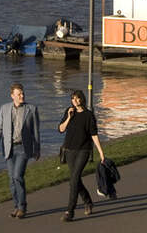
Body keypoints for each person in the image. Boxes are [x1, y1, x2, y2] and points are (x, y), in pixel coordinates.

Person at [0, 82, 40, 219]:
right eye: (19, 94)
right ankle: (16, 206)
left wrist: (37, 149)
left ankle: (22, 207)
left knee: (18, 176)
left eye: (23, 93)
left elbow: (36, 132)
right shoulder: (4, 108)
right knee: (12, 180)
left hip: (24, 148)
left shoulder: (32, 109)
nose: (22, 96)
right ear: (12, 96)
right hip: (9, 148)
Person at [57, 89, 105, 222]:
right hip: (70, 150)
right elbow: (61, 129)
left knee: (74, 180)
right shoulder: (69, 112)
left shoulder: (89, 115)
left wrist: (101, 153)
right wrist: (68, 117)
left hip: (83, 150)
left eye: (77, 98)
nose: (75, 101)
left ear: (82, 99)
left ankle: (69, 211)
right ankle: (88, 201)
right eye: (73, 99)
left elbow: (94, 135)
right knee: (75, 179)